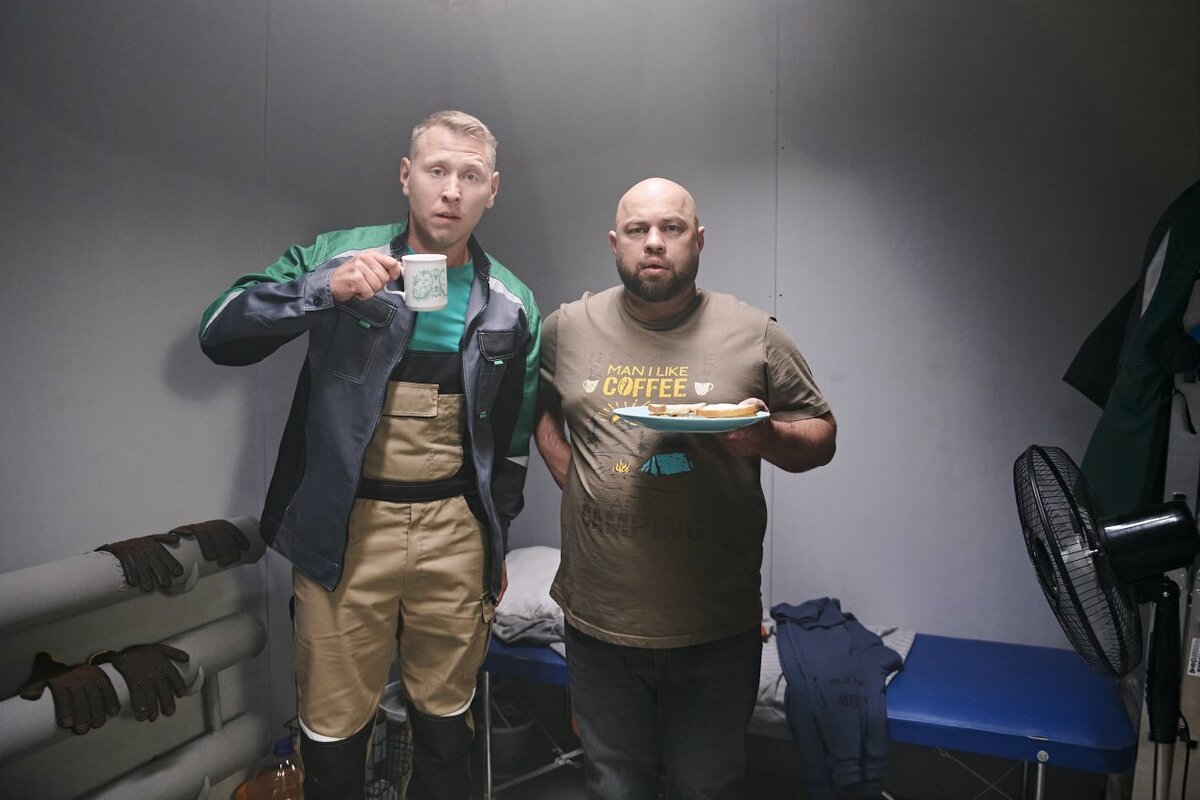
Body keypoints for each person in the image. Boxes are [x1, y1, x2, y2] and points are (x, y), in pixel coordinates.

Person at [199, 110, 541, 800]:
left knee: (447, 732)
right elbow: (219, 332)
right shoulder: (339, 256)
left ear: (493, 190)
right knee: (331, 737)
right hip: (343, 533)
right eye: (437, 170)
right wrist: (322, 291)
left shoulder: (511, 303)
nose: (452, 191)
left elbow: (511, 444)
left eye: (471, 176)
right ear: (406, 176)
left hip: (455, 537)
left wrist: (495, 540)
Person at [535, 177, 836, 799]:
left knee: (708, 789)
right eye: (638, 230)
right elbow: (533, 402)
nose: (654, 243)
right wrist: (570, 471)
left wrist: (767, 438)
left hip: (714, 631)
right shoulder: (567, 328)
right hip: (598, 627)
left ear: (697, 241)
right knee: (614, 787)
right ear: (614, 243)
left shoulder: (753, 333)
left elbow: (822, 434)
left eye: (670, 229)